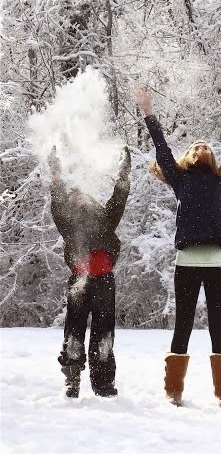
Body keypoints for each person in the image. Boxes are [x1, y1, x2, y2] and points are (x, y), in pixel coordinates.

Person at [134, 75, 221, 407]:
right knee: (183, 325)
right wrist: (148, 111)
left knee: (218, 326)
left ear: (212, 158)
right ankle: (174, 389)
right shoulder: (179, 178)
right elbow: (161, 146)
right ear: (188, 157)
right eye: (196, 147)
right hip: (186, 264)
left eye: (207, 147)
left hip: (217, 264)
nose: (202, 147)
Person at [48, 145, 131, 398]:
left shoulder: (106, 220)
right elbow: (58, 202)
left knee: (104, 332)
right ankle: (72, 381)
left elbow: (118, 200)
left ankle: (103, 384)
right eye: (75, 197)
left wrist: (124, 174)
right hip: (79, 283)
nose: (80, 197)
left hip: (104, 282)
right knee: (74, 330)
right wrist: (56, 174)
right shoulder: (68, 223)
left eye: (84, 195)